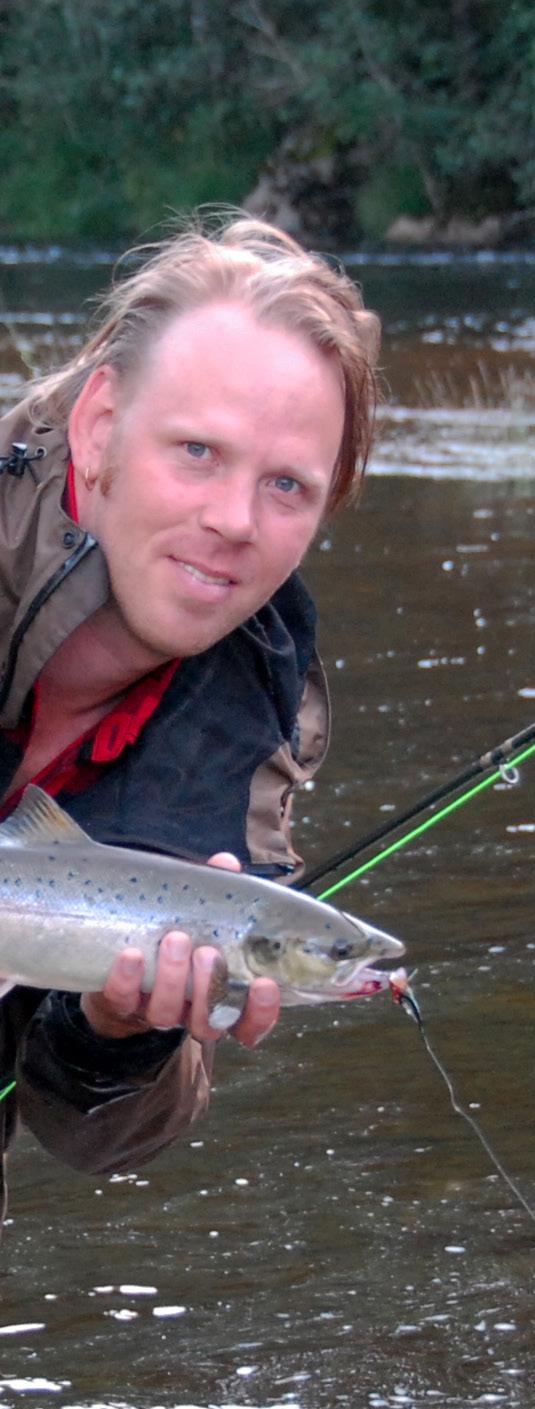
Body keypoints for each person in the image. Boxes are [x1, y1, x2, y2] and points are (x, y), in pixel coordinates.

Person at [0, 215, 381, 1224]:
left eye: (287, 485)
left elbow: (105, 1138)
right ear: (97, 428)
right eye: (198, 451)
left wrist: (117, 1034)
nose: (235, 521)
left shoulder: (251, 740)